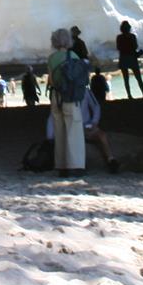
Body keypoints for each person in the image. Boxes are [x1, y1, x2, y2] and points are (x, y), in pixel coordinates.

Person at [45, 86, 119, 172]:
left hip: (85, 125)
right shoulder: (61, 94)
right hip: (70, 127)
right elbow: (53, 115)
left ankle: (111, 159)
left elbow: (96, 107)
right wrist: (50, 136)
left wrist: (94, 122)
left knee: (102, 135)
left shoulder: (85, 91)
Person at [47, 27, 86, 177]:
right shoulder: (74, 55)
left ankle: (61, 165)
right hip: (71, 96)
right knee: (73, 129)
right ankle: (75, 165)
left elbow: (51, 81)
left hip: (56, 96)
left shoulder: (52, 58)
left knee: (59, 130)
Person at [115, 19, 143, 99]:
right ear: (129, 28)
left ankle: (129, 95)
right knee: (138, 78)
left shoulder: (119, 37)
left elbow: (118, 48)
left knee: (126, 79)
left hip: (123, 58)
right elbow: (135, 46)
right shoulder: (132, 36)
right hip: (132, 58)